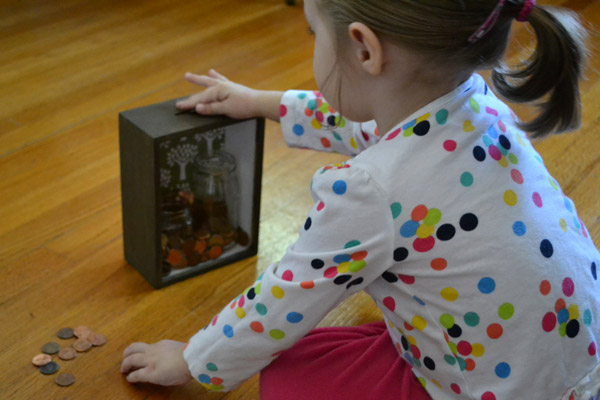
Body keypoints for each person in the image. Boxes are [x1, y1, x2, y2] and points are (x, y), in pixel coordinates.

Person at [120, 0, 600, 398]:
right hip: (580, 365)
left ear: (363, 48)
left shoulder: (371, 192)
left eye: (313, 34)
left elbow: (283, 298)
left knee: (291, 375)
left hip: (493, 388)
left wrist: (191, 358)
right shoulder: (478, 104)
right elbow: (370, 125)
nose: (312, 43)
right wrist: (261, 102)